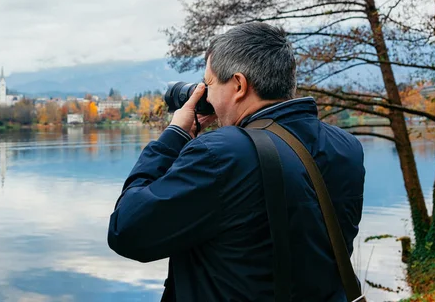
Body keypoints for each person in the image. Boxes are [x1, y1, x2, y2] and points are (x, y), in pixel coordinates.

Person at [107, 22, 365, 301]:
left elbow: (127, 230)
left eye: (208, 85)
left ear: (239, 85)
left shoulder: (221, 154)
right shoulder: (345, 147)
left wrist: (174, 136)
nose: (205, 94)